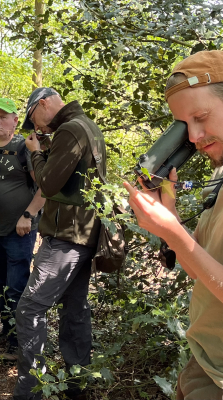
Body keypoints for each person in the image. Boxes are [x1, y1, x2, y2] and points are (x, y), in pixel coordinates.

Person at [124, 50, 223, 400]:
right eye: (184, 127)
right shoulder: (221, 174)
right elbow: (200, 271)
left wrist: (172, 231)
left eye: (201, 116)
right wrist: (172, 219)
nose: (194, 138)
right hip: (204, 362)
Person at [12, 87, 107, 400]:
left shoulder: (70, 129)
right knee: (75, 310)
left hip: (67, 236)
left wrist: (36, 152)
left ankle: (31, 390)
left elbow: (50, 184)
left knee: (29, 310)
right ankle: (76, 385)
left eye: (34, 120)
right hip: (82, 233)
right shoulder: (86, 125)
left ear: (42, 104)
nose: (37, 129)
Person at [0, 98, 45, 361]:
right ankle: (7, 330)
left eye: (3, 117)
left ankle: (18, 340)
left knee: (16, 286)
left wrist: (28, 215)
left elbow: (45, 186)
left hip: (20, 230)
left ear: (16, 120)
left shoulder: (25, 147)